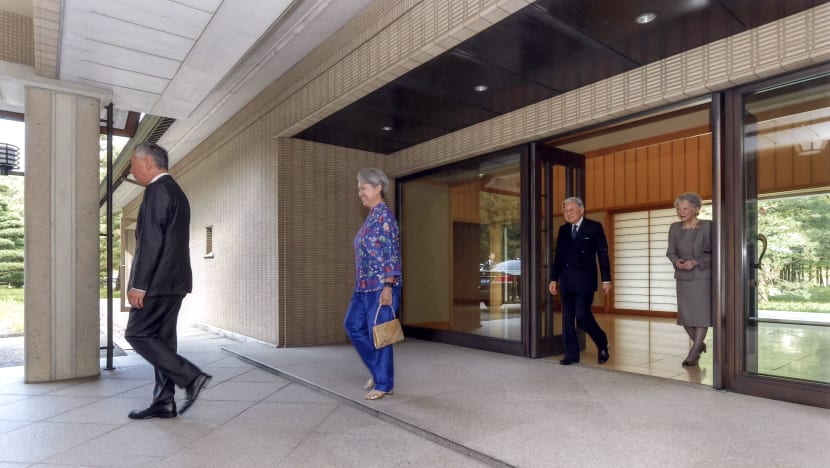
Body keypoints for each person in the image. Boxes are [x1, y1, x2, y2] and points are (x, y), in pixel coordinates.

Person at [124, 142, 211, 419]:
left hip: (158, 283)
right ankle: (164, 402)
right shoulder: (175, 191)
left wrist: (138, 284)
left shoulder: (157, 190)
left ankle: (191, 376)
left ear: (148, 162)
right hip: (174, 282)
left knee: (137, 334)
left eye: (133, 164)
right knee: (162, 340)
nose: (132, 170)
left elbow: (151, 242)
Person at [344, 168, 402, 400]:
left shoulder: (385, 217)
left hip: (380, 286)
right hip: (362, 286)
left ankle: (385, 383)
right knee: (352, 325)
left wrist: (388, 286)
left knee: (380, 334)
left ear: (378, 188)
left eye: (363, 187)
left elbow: (391, 252)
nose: (360, 192)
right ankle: (379, 372)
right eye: (359, 188)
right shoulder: (371, 217)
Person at [548, 197, 611, 365]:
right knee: (567, 318)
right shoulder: (563, 230)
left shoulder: (594, 227)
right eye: (565, 210)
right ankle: (571, 354)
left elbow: (602, 254)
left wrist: (606, 280)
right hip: (567, 280)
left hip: (585, 279)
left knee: (582, 314)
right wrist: (554, 278)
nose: (568, 213)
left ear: (581, 210)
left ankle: (601, 341)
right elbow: (559, 257)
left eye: (572, 209)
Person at [666, 192, 713, 366]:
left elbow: (716, 253)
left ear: (696, 209)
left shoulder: (708, 226)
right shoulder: (675, 228)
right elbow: (671, 252)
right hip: (683, 277)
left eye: (685, 208)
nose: (681, 212)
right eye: (679, 209)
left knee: (701, 315)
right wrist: (676, 261)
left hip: (702, 277)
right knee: (685, 316)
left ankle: (694, 352)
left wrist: (696, 262)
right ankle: (699, 344)